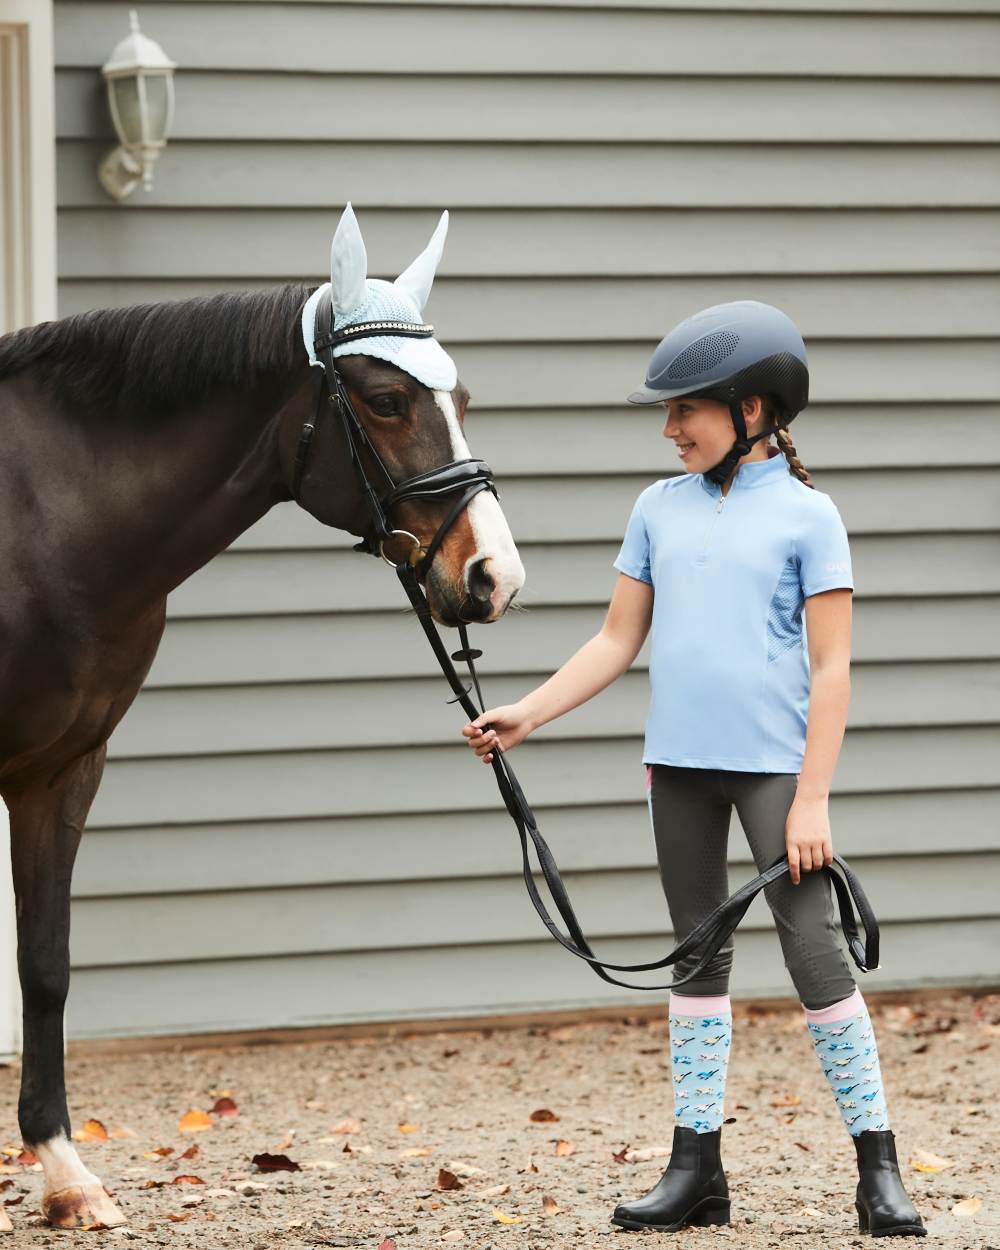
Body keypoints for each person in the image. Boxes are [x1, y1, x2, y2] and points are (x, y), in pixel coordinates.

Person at [461, 301, 926, 1238]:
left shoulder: (809, 515)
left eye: (687, 411)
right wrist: (528, 713)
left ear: (752, 410)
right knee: (695, 958)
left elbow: (833, 666)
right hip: (676, 769)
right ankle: (696, 1169)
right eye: (666, 414)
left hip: (774, 778)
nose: (670, 429)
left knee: (815, 953)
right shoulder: (656, 508)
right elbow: (616, 638)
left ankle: (879, 1166)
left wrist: (813, 799)